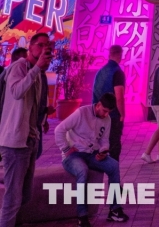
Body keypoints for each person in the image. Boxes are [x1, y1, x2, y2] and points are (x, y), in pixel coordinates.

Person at [0, 32, 52, 227]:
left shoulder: (38, 74)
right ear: (30, 48)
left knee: (25, 195)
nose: (45, 50)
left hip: (29, 140)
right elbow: (16, 92)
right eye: (40, 45)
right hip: (14, 143)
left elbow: (33, 106)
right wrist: (37, 68)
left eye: (48, 47)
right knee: (13, 197)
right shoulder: (19, 67)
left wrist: (43, 120)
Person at [55, 92, 129, 227]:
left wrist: (103, 151)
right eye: (105, 111)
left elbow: (104, 140)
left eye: (109, 112)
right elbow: (59, 130)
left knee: (114, 166)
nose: (106, 115)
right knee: (82, 171)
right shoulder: (81, 113)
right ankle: (82, 216)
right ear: (98, 105)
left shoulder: (107, 119)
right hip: (73, 155)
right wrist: (66, 148)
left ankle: (114, 209)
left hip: (92, 154)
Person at [92, 46, 125, 162]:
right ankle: (113, 176)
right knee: (114, 147)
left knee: (99, 146)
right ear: (120, 55)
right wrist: (122, 114)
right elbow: (119, 97)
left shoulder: (100, 72)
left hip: (97, 114)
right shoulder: (117, 72)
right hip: (113, 115)